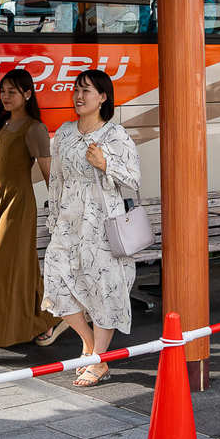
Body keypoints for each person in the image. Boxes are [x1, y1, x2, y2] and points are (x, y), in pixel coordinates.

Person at [41, 69, 141, 387]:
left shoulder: (115, 135)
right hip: (69, 223)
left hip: (102, 224)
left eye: (87, 91)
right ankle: (88, 343)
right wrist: (54, 219)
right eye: (77, 89)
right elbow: (56, 181)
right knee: (56, 282)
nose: (79, 96)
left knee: (105, 289)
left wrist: (105, 163)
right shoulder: (65, 134)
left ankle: (99, 359)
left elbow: (134, 179)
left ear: (103, 97)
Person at [0, 69, 68, 366]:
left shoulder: (33, 128)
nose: (5, 96)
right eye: (3, 91)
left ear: (27, 94)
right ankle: (48, 320)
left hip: (18, 206)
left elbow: (49, 173)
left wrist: (60, 210)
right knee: (23, 268)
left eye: (12, 91)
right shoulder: (1, 122)